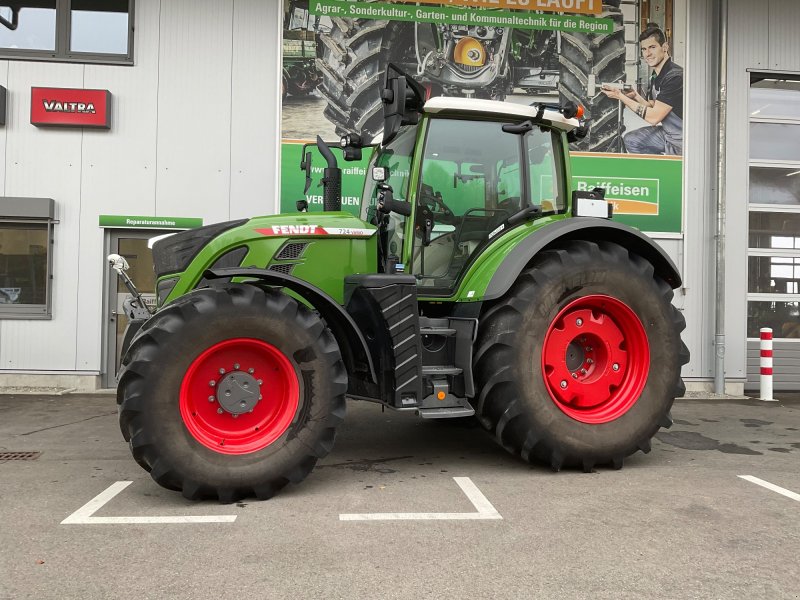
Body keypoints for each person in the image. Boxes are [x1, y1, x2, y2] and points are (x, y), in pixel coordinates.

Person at [602, 23, 683, 155]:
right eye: (644, 49)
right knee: (632, 140)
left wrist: (620, 96)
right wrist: (635, 96)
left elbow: (654, 117)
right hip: (669, 135)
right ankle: (657, 171)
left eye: (652, 47)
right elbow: (654, 105)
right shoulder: (656, 75)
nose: (647, 54)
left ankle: (670, 166)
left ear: (665, 47)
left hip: (683, 140)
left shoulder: (675, 77)